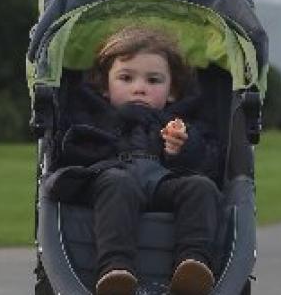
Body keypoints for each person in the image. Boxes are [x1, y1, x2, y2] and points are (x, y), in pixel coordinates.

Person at [46, 26, 221, 295]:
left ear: (172, 91)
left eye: (153, 81)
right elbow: (70, 149)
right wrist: (102, 141)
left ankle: (193, 263)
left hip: (161, 180)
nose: (139, 89)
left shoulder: (180, 123)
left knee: (201, 186)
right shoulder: (95, 117)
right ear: (105, 86)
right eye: (126, 78)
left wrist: (180, 149)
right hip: (110, 180)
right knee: (119, 182)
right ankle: (115, 269)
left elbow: (210, 162)